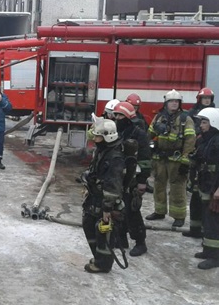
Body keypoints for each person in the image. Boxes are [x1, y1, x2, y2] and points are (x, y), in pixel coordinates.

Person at [81, 116, 125, 273]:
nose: (94, 137)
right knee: (88, 224)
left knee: (104, 232)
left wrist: (107, 209)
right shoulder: (103, 151)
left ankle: (103, 264)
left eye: (97, 135)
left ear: (106, 137)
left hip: (106, 202)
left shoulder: (114, 158)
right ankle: (98, 257)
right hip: (96, 197)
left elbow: (113, 187)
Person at [146, 89, 196, 227]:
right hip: (159, 158)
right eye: (171, 101)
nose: (174, 104)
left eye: (176, 101)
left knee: (177, 187)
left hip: (177, 159)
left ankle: (179, 216)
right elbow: (149, 134)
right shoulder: (159, 117)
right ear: (166, 103)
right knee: (158, 185)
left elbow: (190, 140)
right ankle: (159, 211)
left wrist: (186, 159)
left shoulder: (186, 119)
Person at [113, 102, 152, 257]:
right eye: (116, 115)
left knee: (132, 211)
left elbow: (145, 159)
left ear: (128, 117)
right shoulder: (117, 131)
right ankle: (121, 239)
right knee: (119, 208)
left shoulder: (138, 134)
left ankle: (140, 242)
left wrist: (142, 181)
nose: (117, 118)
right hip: (119, 177)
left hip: (133, 179)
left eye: (120, 115)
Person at [190, 108, 219, 269]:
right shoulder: (205, 139)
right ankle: (208, 250)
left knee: (213, 222)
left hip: (215, 187)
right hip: (206, 184)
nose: (201, 125)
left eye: (204, 122)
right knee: (207, 220)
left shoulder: (217, 141)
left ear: (213, 123)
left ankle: (215, 257)